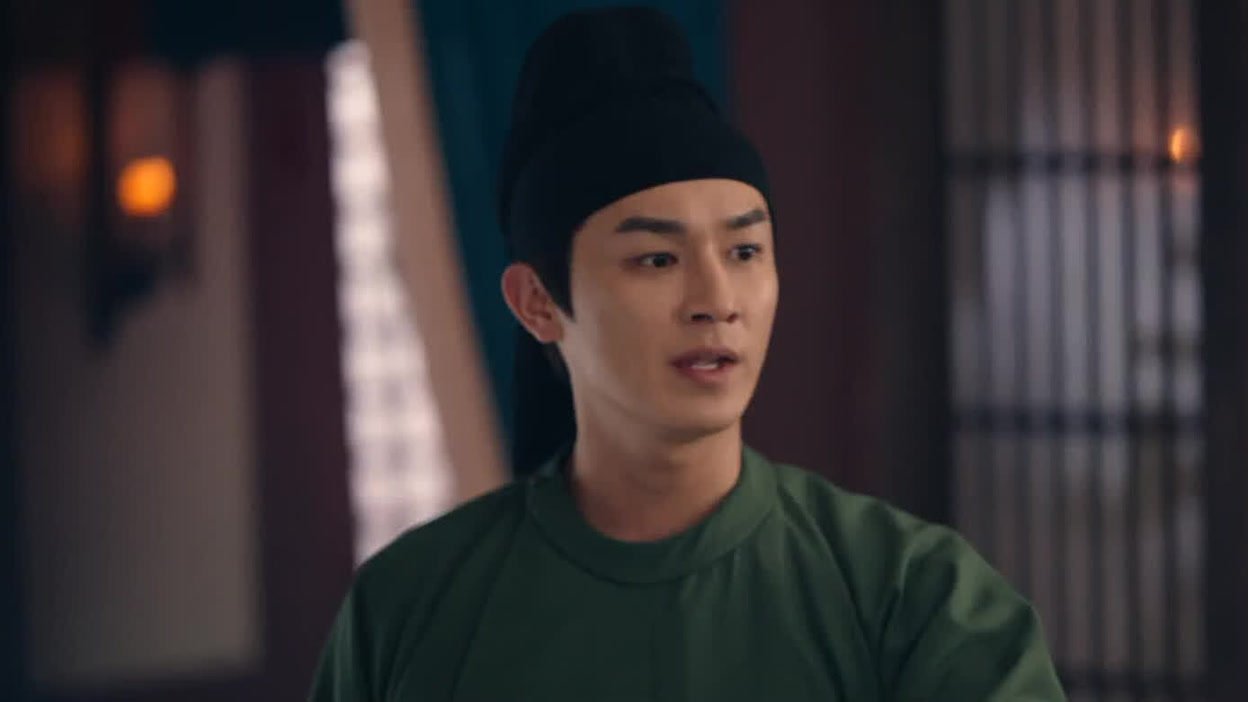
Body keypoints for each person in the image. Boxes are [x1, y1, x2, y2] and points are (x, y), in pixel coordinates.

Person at [309, 6, 1067, 701]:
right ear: (537, 302)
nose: (716, 299)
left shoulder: (914, 600)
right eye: (657, 260)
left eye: (744, 250)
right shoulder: (411, 608)